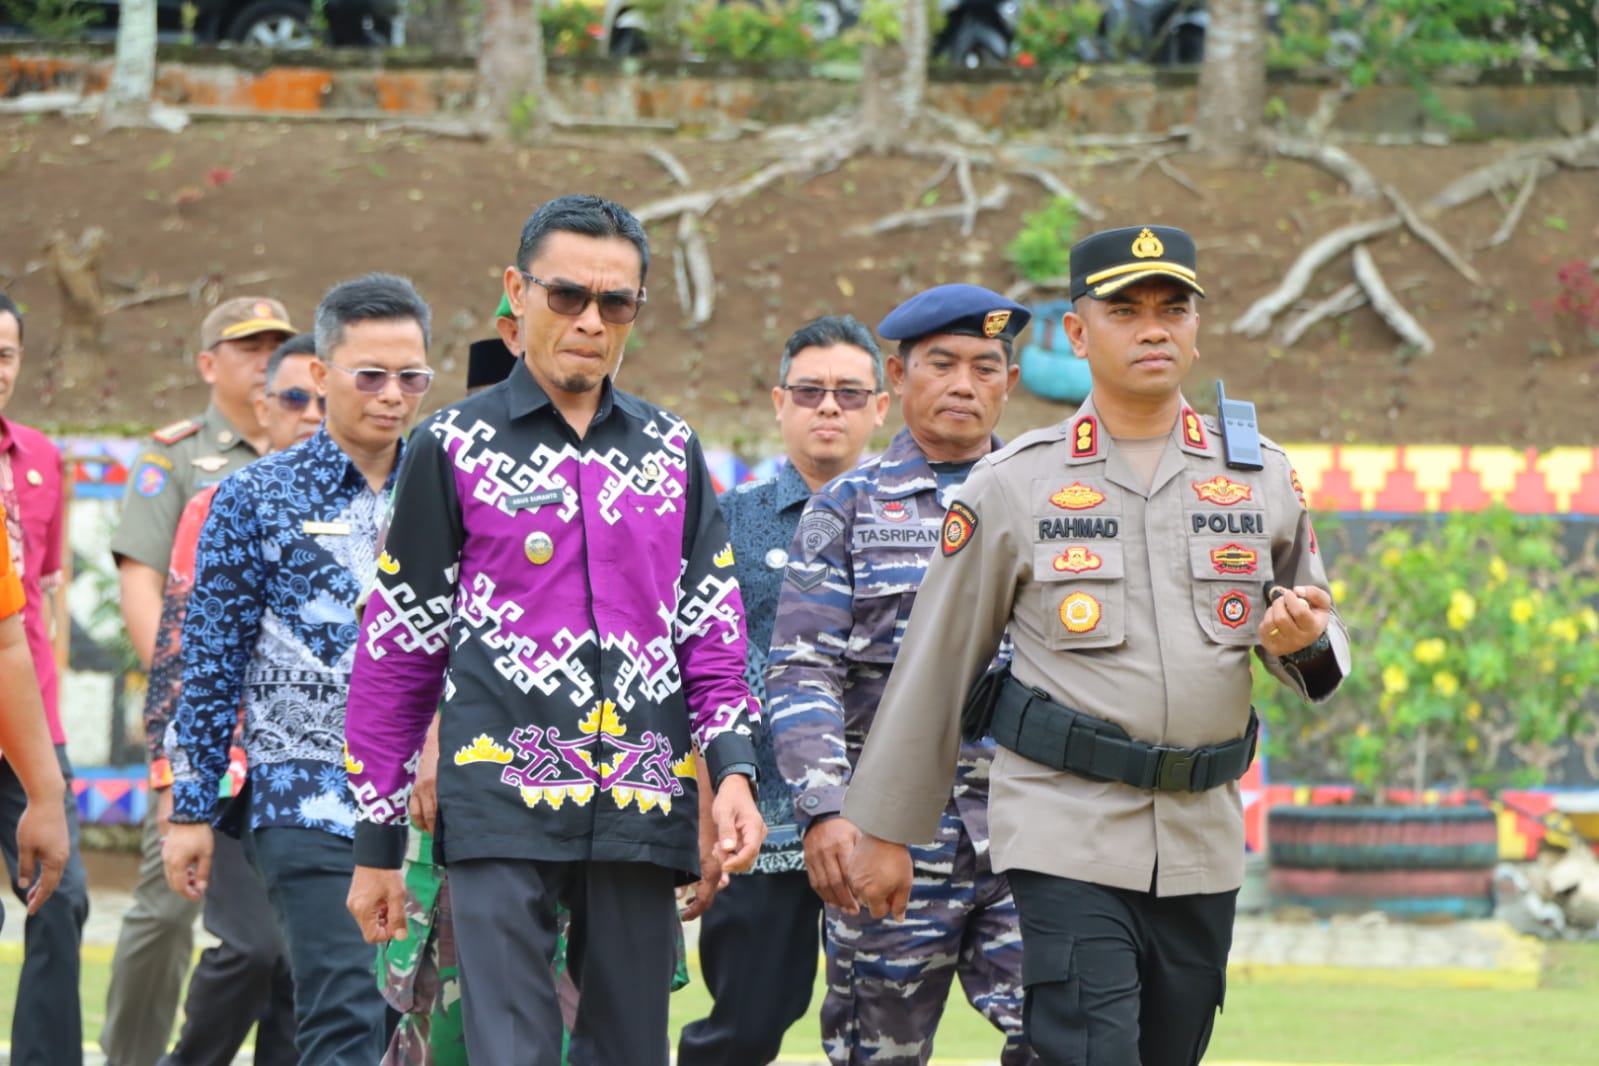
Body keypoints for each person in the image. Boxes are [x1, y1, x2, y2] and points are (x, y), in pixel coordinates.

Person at [842, 226, 1352, 1066]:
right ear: (1076, 334)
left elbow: (1319, 645)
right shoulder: (1014, 485)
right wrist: (886, 831)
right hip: (1064, 826)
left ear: (1196, 326)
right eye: (1124, 311)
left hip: (1201, 837)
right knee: (1087, 1049)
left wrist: (1299, 641)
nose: (1153, 328)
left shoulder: (1261, 475)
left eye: (1171, 308)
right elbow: (936, 663)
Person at [342, 194, 765, 1066]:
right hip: (499, 797)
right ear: (517, 293)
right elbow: (399, 652)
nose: (590, 321)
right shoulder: (451, 446)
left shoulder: (670, 449)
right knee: (510, 1050)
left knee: (628, 1051)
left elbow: (710, 631)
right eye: (567, 295)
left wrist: (731, 774)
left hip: (643, 799)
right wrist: (379, 843)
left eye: (616, 304)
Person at [164, 276, 434, 1066]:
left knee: (407, 1022)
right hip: (306, 795)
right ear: (319, 373)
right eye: (370, 375)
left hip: (429, 805)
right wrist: (191, 808)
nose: (392, 396)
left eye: (410, 378)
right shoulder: (252, 498)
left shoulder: (452, 491)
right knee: (344, 1009)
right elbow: (211, 658)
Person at [766, 285, 1036, 1066]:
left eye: (985, 368)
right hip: (889, 843)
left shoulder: (1050, 508)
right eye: (942, 364)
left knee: (1069, 1035)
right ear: (899, 374)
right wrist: (825, 810)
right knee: (875, 1054)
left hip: (1026, 834)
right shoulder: (847, 507)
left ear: (1008, 384)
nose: (964, 384)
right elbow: (801, 667)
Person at [677, 314, 888, 1066]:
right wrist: (704, 806)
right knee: (747, 1023)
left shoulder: (912, 523)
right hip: (760, 821)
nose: (827, 407)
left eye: (847, 392)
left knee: (885, 1032)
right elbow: (694, 671)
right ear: (778, 402)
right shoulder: (724, 524)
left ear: (879, 408)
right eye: (809, 391)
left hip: (881, 822)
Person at [103, 295, 297, 1066]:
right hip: (200, 729)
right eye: (246, 348)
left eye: (274, 347)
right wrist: (188, 714)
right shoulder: (178, 459)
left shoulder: (321, 448)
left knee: (275, 941)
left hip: (287, 746)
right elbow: (145, 589)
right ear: (208, 364)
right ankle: (130, 1054)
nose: (262, 361)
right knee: (164, 901)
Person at [143, 333, 322, 1066]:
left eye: (321, 395)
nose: (310, 414)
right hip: (235, 778)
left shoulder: (392, 505)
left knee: (301, 975)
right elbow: (179, 649)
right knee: (249, 951)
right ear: (264, 408)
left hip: (332, 783)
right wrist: (175, 782)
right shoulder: (220, 503)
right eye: (293, 399)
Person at [0, 292, 90, 1066]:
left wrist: (49, 718)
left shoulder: (39, 458)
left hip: (25, 721)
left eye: (6, 353)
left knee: (62, 896)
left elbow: (42, 596)